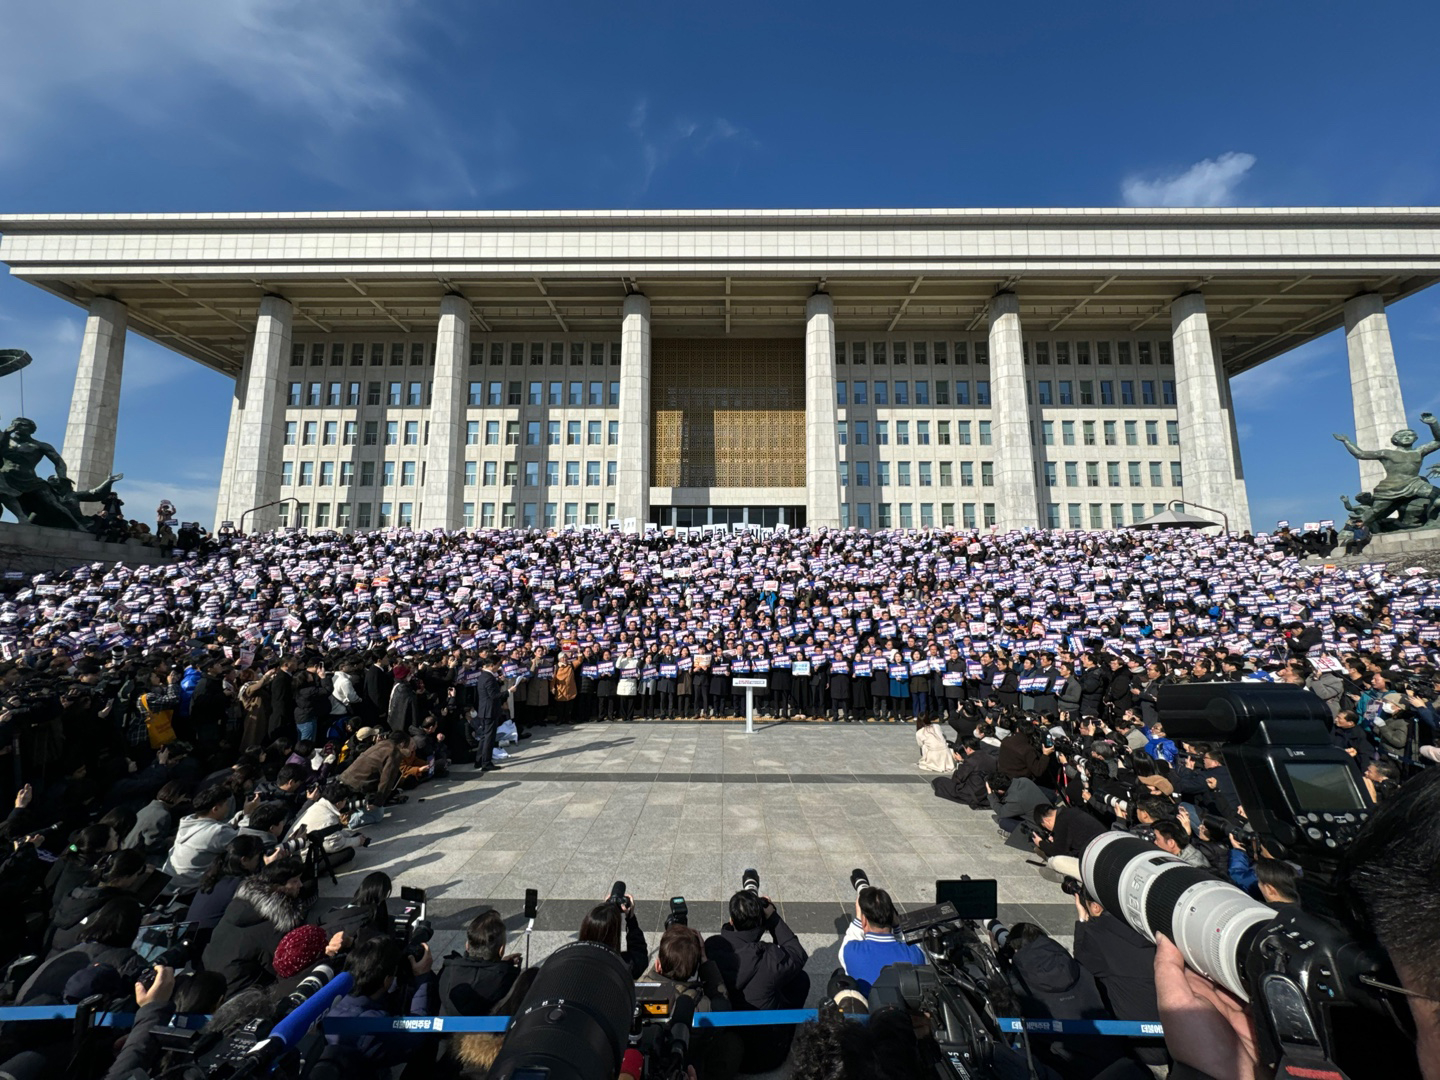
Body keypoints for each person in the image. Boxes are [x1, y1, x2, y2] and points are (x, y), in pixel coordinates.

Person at [706, 883, 811, 1073]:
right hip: (766, 1056)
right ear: (760, 921)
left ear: (731, 920)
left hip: (725, 1051)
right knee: (800, 979)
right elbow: (798, 954)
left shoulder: (711, 949)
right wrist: (773, 920)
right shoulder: (769, 958)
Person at [640, 924, 742, 1080]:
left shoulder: (638, 991)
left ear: (658, 964)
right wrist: (705, 960)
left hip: (643, 1063)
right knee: (732, 1044)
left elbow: (650, 979)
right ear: (696, 970)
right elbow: (723, 1006)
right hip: (685, 1064)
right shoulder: (701, 1005)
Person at [200, 858, 308, 993]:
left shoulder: (239, 906)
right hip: (242, 991)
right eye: (295, 881)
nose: (301, 885)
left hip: (214, 980)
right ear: (279, 886)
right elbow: (281, 966)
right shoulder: (275, 924)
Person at [837, 884, 924, 995]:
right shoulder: (916, 953)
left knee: (838, 974)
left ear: (863, 921)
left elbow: (855, 931)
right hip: (900, 1010)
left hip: (865, 1009)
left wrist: (860, 916)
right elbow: (905, 940)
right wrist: (897, 927)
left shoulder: (849, 951)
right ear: (893, 918)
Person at [438, 908, 520, 1016]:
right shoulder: (507, 979)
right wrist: (508, 968)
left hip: (445, 1031)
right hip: (486, 1032)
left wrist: (501, 966)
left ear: (467, 945)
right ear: (501, 950)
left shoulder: (448, 970)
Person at [578, 893, 648, 979]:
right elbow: (640, 956)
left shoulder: (573, 960)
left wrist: (604, 910)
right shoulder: (622, 965)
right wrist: (631, 918)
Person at [931, 736, 998, 809]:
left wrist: (960, 763)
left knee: (939, 781)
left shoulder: (970, 761)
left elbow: (958, 779)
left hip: (974, 793)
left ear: (968, 748)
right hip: (987, 791)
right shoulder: (992, 758)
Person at [471, 656, 506, 772]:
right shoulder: (489, 677)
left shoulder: (484, 676)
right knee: (489, 738)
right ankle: (486, 762)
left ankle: (479, 760)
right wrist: (509, 691)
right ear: (492, 665)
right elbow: (494, 696)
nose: (498, 667)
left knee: (485, 736)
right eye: (497, 665)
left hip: (485, 710)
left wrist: (499, 683)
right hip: (489, 711)